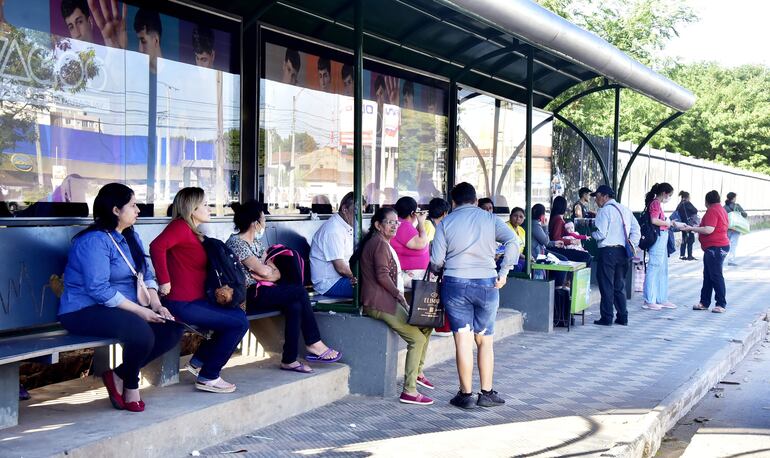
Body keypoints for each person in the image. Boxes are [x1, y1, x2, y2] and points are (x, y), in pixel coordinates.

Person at [59, 183, 183, 412]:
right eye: (133, 205)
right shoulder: (94, 241)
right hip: (83, 310)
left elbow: (146, 274)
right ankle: (131, 384)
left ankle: (118, 375)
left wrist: (155, 305)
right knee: (141, 332)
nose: (138, 210)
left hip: (122, 307)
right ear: (116, 210)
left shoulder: (130, 236)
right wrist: (140, 311)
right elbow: (98, 289)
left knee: (172, 328)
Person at [150, 187, 249, 394]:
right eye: (204, 204)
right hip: (181, 303)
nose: (209, 208)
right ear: (192, 208)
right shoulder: (179, 227)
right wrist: (164, 281)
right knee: (239, 323)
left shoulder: (193, 232)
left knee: (237, 316)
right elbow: (156, 246)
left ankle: (199, 361)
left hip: (196, 300)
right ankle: (208, 376)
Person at [430, 182, 518, 409]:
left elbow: (437, 261)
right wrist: (504, 271)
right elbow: (513, 241)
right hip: (487, 284)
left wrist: (442, 269)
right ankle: (486, 393)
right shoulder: (489, 219)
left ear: (453, 202)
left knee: (463, 340)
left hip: (455, 285)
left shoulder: (446, 223)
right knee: (485, 341)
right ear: (476, 200)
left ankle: (465, 394)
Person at [226, 201, 341, 373]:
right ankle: (313, 342)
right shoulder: (237, 243)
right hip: (247, 294)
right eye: (263, 218)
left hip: (263, 290)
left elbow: (272, 271)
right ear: (254, 223)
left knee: (294, 305)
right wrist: (267, 272)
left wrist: (268, 272)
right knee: (299, 291)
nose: (265, 222)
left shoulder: (256, 243)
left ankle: (289, 360)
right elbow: (263, 270)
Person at [351, 208, 434, 405]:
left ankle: (418, 372)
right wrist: (399, 296)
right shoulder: (378, 243)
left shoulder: (381, 242)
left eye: (396, 222)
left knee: (426, 325)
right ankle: (410, 390)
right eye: (389, 222)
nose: (394, 226)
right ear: (378, 225)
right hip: (381, 303)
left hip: (388, 300)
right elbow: (382, 276)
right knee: (417, 339)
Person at [590, 185, 640, 326]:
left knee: (606, 285)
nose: (596, 200)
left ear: (605, 196)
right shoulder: (625, 210)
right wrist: (632, 244)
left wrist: (590, 234)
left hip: (608, 252)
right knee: (619, 285)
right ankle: (623, 316)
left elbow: (600, 234)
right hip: (623, 252)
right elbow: (637, 230)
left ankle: (607, 317)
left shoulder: (604, 211)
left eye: (597, 196)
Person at [684, 190, 730, 313]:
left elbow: (709, 229)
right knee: (708, 275)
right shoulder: (721, 209)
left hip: (716, 248)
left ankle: (721, 304)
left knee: (715, 275)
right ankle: (704, 302)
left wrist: (692, 228)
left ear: (706, 201)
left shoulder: (713, 210)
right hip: (717, 247)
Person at [309, 191, 357, 298]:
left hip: (342, 279)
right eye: (356, 211)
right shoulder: (333, 230)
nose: (359, 216)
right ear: (344, 209)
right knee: (371, 287)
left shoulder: (346, 225)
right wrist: (358, 277)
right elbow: (341, 268)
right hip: (329, 284)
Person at [642, 183, 677, 311]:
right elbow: (654, 220)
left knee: (662, 268)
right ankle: (649, 299)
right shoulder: (655, 203)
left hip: (662, 236)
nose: (669, 198)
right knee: (654, 267)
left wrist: (669, 223)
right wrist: (667, 223)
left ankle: (661, 298)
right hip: (658, 237)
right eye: (670, 195)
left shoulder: (656, 204)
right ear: (664, 193)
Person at [390, 197, 429, 290]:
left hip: (411, 274)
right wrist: (421, 223)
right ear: (412, 213)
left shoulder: (401, 224)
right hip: (409, 275)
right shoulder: (403, 225)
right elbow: (421, 244)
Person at [134, 8, 162, 74]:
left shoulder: (176, 76)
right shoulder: (135, 73)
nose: (140, 49)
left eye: (143, 41)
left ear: (156, 40)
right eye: (139, 41)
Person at [724, 192, 747, 267]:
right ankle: (731, 260)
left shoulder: (724, 207)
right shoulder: (737, 206)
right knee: (733, 244)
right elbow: (745, 214)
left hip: (727, 227)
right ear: (733, 198)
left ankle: (722, 258)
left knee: (725, 244)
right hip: (736, 227)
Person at [676, 191, 698, 261]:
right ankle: (689, 256)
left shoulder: (679, 204)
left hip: (682, 224)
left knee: (684, 239)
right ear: (687, 197)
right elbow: (695, 210)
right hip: (689, 224)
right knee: (690, 240)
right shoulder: (687, 203)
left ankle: (682, 255)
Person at [506, 207, 526, 272]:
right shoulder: (505, 227)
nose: (518, 219)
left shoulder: (521, 230)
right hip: (507, 257)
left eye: (521, 217)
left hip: (519, 257)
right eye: (515, 216)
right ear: (510, 216)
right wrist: (523, 256)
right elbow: (507, 247)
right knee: (519, 266)